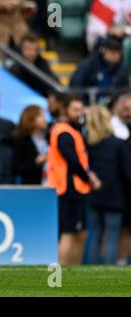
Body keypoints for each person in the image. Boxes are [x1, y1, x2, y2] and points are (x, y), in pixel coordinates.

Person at [47, 96, 102, 265]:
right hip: (69, 189)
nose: (79, 114)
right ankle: (59, 274)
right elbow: (73, 161)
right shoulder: (64, 132)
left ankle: (73, 272)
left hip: (76, 189)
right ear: (66, 111)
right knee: (69, 233)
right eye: (75, 110)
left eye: (81, 109)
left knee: (81, 233)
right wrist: (89, 178)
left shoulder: (72, 131)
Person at [84, 105, 131, 264]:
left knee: (94, 235)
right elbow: (128, 173)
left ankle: (91, 275)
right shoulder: (118, 144)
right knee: (112, 236)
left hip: (93, 196)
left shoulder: (87, 145)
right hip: (114, 197)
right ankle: (110, 275)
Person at [70, 36, 129, 104]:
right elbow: (76, 87)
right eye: (111, 51)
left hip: (111, 107)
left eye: (117, 52)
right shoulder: (89, 65)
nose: (114, 55)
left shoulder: (122, 69)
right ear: (103, 51)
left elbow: (125, 90)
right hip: (87, 105)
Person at [110, 92, 131, 264]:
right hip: (117, 186)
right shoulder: (111, 128)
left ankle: (122, 262)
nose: (127, 109)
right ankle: (114, 264)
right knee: (115, 229)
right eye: (123, 105)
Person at [9, 32, 59, 97]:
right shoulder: (15, 68)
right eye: (27, 49)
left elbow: (52, 82)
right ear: (21, 49)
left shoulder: (42, 63)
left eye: (33, 49)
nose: (30, 53)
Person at [12, 105, 48, 185]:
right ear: (30, 119)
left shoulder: (48, 137)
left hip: (51, 184)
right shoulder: (21, 141)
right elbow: (17, 168)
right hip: (33, 186)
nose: (44, 119)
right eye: (41, 116)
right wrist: (36, 163)